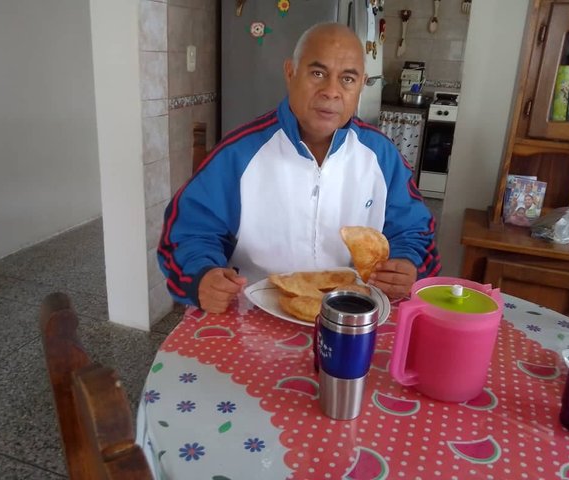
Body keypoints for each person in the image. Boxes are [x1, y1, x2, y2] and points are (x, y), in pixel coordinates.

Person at [158, 23, 440, 314]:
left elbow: (413, 231)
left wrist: (407, 265)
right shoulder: (238, 154)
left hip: (353, 315)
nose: (331, 91)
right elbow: (190, 231)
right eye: (317, 74)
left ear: (361, 85)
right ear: (290, 73)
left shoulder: (382, 157)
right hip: (251, 314)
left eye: (347, 79)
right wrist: (202, 276)